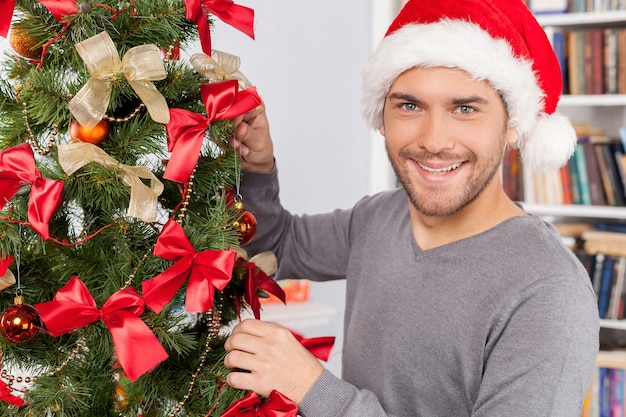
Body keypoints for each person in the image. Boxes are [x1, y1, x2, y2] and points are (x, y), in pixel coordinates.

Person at [223, 0, 600, 415]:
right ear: (382, 117)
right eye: (410, 106)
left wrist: (311, 386)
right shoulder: (379, 218)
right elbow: (277, 244)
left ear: (512, 125)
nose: (434, 140)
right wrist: (255, 168)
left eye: (465, 108)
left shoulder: (548, 289)